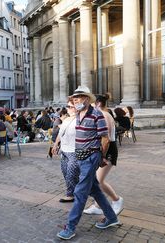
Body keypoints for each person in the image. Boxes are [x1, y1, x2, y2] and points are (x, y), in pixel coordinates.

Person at [57, 86, 119, 240]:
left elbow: (105, 139)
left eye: (78, 97)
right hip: (81, 157)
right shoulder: (79, 113)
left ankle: (70, 227)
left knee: (80, 192)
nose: (74, 100)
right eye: (73, 98)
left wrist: (101, 157)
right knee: (95, 191)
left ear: (86, 99)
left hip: (91, 158)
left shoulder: (97, 114)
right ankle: (112, 218)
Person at [83, 94, 123, 215]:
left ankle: (117, 200)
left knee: (99, 181)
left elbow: (105, 139)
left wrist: (102, 156)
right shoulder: (104, 114)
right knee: (96, 180)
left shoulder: (104, 115)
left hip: (108, 150)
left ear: (98, 103)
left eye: (92, 103)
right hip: (104, 150)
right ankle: (98, 205)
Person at [52, 99, 78, 203]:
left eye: (70, 107)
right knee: (65, 172)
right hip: (64, 150)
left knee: (72, 173)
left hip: (74, 150)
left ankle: (72, 194)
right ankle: (72, 192)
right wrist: (55, 144)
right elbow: (60, 133)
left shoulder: (80, 119)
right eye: (68, 106)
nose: (68, 108)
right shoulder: (66, 120)